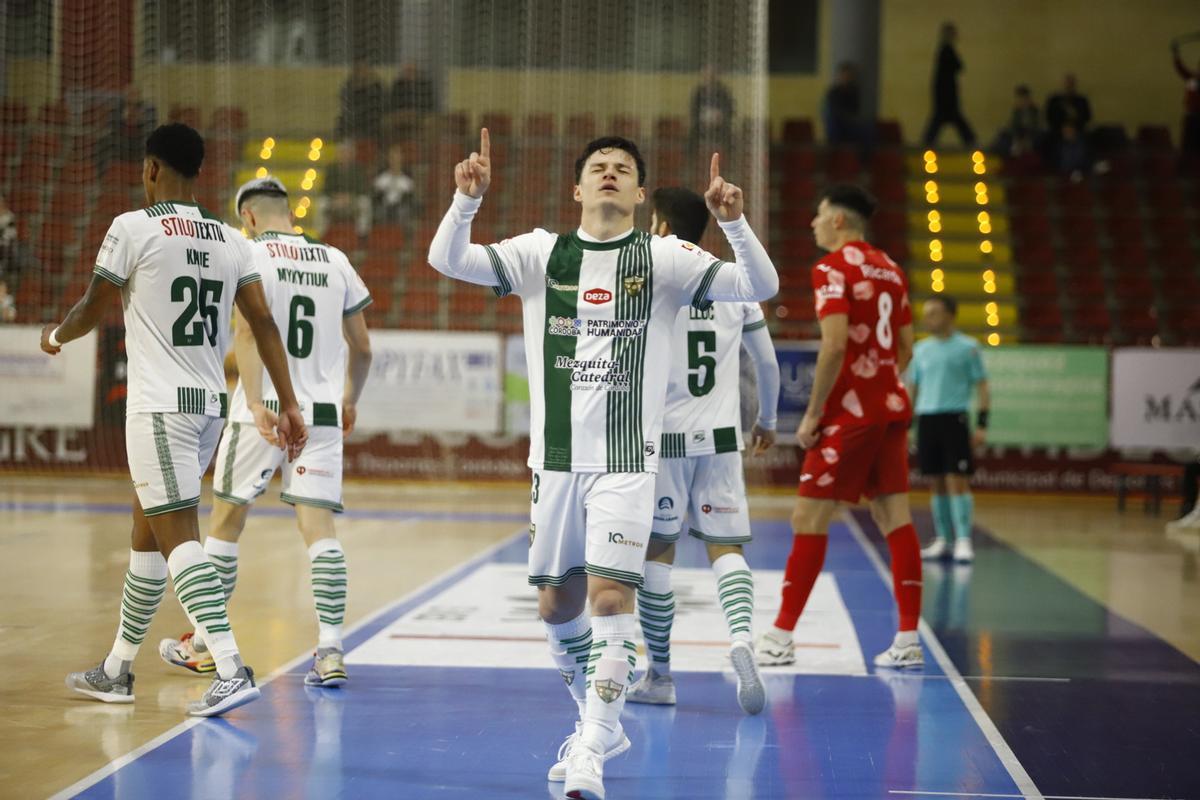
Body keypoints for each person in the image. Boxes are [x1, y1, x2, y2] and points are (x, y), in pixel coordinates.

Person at [428, 129, 778, 800]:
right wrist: (465, 201)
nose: (610, 174)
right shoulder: (539, 253)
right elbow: (447, 260)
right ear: (578, 189)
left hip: (629, 462)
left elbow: (759, 284)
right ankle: (599, 720)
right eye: (599, 167)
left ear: (642, 193)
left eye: (623, 168)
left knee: (611, 598)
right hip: (554, 465)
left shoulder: (667, 257)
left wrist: (733, 222)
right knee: (557, 608)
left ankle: (593, 747)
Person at [41, 123, 307, 716]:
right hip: (208, 408)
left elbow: (92, 307)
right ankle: (116, 669)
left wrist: (56, 336)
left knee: (178, 541)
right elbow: (264, 323)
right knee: (147, 535)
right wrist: (289, 402)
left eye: (144, 167)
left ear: (153, 169)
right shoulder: (231, 240)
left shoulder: (132, 228)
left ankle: (231, 667)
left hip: (159, 407)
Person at [158, 176, 373, 687]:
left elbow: (248, 331)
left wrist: (255, 401)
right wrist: (349, 400)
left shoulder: (244, 252)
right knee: (320, 532)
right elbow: (363, 348)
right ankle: (331, 651)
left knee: (226, 524)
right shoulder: (335, 259)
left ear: (248, 217)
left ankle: (205, 644)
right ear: (288, 211)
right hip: (320, 411)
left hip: (268, 410)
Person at [756, 184, 924, 672]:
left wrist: (812, 415)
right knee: (896, 518)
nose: (811, 222)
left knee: (809, 520)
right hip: (891, 405)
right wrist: (880, 381)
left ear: (839, 222)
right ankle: (908, 638)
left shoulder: (832, 269)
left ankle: (781, 636)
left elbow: (832, 347)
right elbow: (907, 346)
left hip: (851, 415)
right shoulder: (891, 268)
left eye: (818, 213)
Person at [625, 187, 780, 715]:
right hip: (721, 438)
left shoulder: (649, 278)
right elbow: (767, 365)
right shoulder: (736, 283)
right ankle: (740, 639)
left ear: (662, 226)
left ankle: (661, 675)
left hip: (661, 439)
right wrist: (768, 419)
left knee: (656, 553)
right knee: (726, 548)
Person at [909, 295, 989, 563]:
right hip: (927, 419)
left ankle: (964, 540)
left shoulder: (968, 347)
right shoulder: (921, 349)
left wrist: (982, 424)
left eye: (934, 313)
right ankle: (944, 539)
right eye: (926, 312)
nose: (928, 318)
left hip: (954, 419)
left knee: (957, 479)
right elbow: (914, 386)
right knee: (936, 482)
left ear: (950, 316)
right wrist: (908, 422)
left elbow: (982, 386)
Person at [922, 22, 976, 148]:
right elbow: (959, 66)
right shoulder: (947, 50)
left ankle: (927, 142)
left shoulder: (943, 50)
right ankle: (970, 140)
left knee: (942, 118)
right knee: (951, 117)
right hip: (947, 93)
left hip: (943, 92)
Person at [690, 65, 735, 155]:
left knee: (729, 135)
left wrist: (721, 116)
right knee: (692, 135)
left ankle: (727, 160)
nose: (709, 77)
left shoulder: (723, 91)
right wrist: (702, 117)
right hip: (702, 124)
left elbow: (730, 109)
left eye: (711, 75)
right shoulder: (699, 92)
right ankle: (691, 162)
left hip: (720, 125)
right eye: (707, 75)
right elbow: (693, 109)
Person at [336, 61, 384, 141]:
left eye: (364, 69)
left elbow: (379, 105)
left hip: (371, 118)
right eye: (359, 70)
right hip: (353, 117)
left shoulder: (376, 87)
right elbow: (345, 104)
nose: (362, 72)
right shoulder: (348, 87)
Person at [823, 62, 867, 149]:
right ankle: (834, 154)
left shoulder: (854, 92)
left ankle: (865, 158)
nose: (846, 78)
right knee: (833, 122)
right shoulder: (833, 92)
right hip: (838, 122)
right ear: (840, 76)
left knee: (867, 128)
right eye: (845, 75)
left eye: (849, 76)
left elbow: (855, 109)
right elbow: (835, 110)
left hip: (850, 122)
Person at [372, 143, 418, 225]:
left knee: (405, 212)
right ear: (388, 159)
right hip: (384, 208)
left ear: (401, 158)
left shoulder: (407, 178)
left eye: (397, 157)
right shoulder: (381, 177)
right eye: (392, 157)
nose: (394, 160)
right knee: (379, 212)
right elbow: (376, 194)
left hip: (401, 208)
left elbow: (411, 195)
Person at [991, 85, 1041, 158]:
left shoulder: (1034, 111)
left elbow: (1035, 127)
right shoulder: (1017, 111)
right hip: (1018, 135)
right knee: (1002, 135)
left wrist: (1023, 140)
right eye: (1019, 99)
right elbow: (1013, 125)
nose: (1020, 101)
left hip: (1029, 136)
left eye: (1023, 99)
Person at [1171, 40, 1200, 160]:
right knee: (1188, 145)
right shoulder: (1193, 78)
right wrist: (1176, 54)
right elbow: (1181, 69)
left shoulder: (1194, 79)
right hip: (1191, 115)